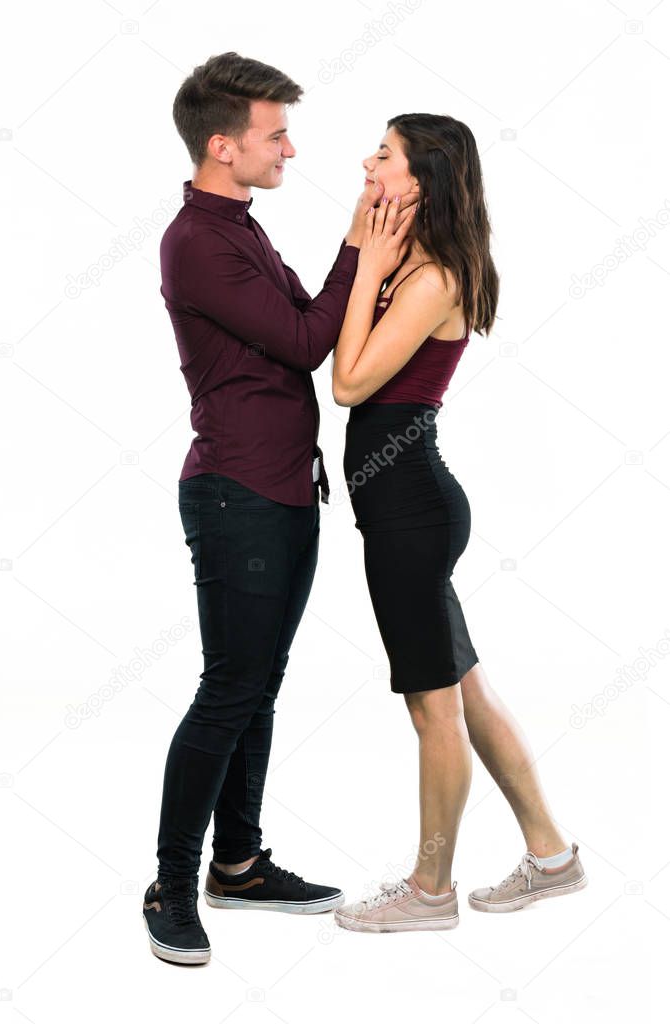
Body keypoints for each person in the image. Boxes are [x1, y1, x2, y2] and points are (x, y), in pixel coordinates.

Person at [142, 52, 413, 965]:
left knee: (257, 683)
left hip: (285, 488)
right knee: (228, 691)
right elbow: (305, 339)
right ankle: (171, 887)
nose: (290, 149)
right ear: (222, 146)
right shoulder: (197, 242)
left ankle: (240, 864)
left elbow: (302, 313)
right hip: (236, 494)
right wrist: (360, 244)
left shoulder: (240, 228)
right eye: (275, 134)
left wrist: (357, 249)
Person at [331, 115, 588, 933]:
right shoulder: (399, 256)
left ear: (424, 178)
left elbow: (347, 383)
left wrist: (370, 259)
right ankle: (552, 858)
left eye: (383, 154)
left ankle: (429, 891)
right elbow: (331, 312)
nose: (366, 160)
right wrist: (363, 239)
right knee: (465, 692)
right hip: (403, 506)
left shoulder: (433, 276)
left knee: (429, 708)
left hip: (412, 508)